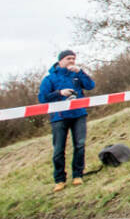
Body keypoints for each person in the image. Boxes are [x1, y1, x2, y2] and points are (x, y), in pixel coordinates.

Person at [38, 49, 96, 192]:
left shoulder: (77, 74)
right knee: (58, 150)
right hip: (59, 117)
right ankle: (60, 180)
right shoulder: (49, 78)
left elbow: (90, 86)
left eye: (73, 58)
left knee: (80, 145)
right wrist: (59, 93)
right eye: (68, 58)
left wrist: (81, 72)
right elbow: (42, 98)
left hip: (79, 114)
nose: (71, 61)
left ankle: (78, 175)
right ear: (60, 61)